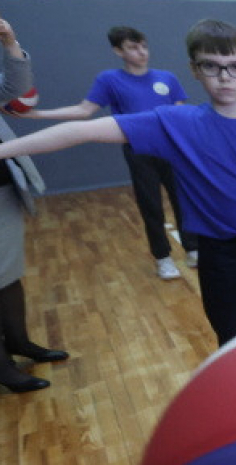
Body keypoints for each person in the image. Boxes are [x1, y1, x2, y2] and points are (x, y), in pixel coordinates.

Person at [0, 19, 236, 347]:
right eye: (211, 66)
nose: (225, 77)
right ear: (194, 70)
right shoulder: (173, 123)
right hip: (222, 258)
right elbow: (82, 130)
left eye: (235, 67)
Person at [24, 25, 196, 279]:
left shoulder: (167, 78)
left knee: (185, 202)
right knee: (152, 207)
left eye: (143, 46)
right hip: (139, 151)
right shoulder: (109, 79)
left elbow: (181, 114)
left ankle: (193, 248)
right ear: (118, 51)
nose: (141, 52)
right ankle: (163, 258)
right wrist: (36, 114)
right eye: (132, 47)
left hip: (171, 151)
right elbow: (83, 111)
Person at [0, 9, 67, 394]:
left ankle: (19, 342)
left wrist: (9, 43)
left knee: (7, 276)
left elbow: (14, 86)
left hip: (1, 189)